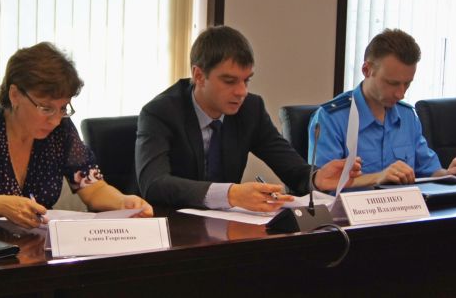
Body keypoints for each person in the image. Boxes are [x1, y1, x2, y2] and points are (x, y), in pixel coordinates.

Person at [135, 25, 361, 211]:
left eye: (246, 80)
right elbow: (154, 184)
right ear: (199, 75)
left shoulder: (251, 109)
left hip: (225, 228)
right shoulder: (160, 112)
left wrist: (317, 177)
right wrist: (231, 194)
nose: (242, 92)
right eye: (230, 81)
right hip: (170, 227)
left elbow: (291, 167)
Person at [0, 42, 153, 228]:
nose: (55, 120)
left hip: (37, 244)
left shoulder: (61, 131)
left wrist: (123, 202)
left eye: (63, 108)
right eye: (46, 108)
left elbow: (94, 189)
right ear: (15, 95)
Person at [309, 28, 456, 186]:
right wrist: (378, 177)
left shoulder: (407, 116)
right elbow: (324, 185)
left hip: (407, 206)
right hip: (352, 207)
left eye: (407, 84)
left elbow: (429, 171)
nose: (400, 94)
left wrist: (451, 174)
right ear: (367, 70)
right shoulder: (330, 118)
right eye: (392, 83)